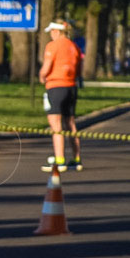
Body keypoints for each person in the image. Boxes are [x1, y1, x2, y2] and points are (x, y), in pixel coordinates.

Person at [40, 19, 83, 172]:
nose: (51, 35)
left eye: (52, 32)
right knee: (70, 123)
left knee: (55, 123)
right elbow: (79, 70)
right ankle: (77, 159)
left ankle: (59, 160)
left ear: (57, 31)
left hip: (56, 86)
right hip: (71, 87)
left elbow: (46, 66)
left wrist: (41, 76)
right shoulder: (75, 47)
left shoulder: (53, 45)